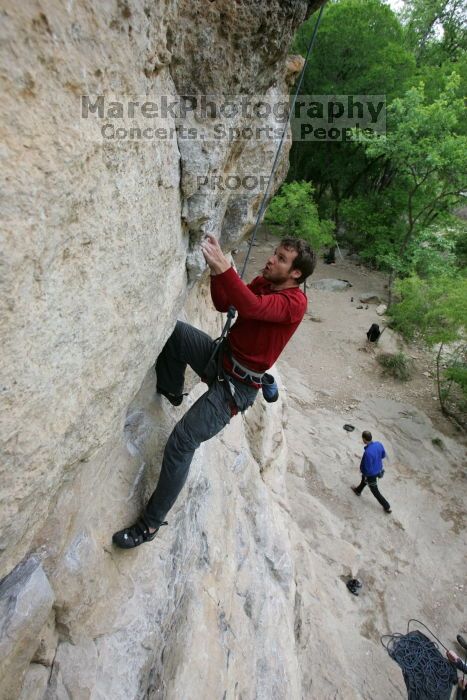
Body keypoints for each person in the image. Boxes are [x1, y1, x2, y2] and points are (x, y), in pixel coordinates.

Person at [113, 235, 316, 548]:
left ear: (295, 274)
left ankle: (150, 525)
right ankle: (171, 390)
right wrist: (218, 270)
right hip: (219, 359)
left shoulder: (294, 304)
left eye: (281, 259)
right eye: (274, 253)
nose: (271, 259)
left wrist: (225, 268)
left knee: (182, 442)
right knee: (175, 333)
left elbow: (253, 308)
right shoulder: (265, 282)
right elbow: (225, 304)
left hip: (235, 389)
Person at [351, 430, 392, 514]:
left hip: (371, 475)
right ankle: (358, 491)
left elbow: (366, 468)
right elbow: (383, 455)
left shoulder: (367, 453)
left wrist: (364, 473)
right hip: (379, 469)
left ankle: (387, 506)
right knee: (363, 480)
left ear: (364, 439)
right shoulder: (378, 444)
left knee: (375, 491)